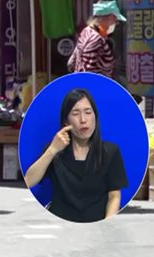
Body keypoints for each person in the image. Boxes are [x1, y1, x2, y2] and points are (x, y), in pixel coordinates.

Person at [24, 88, 129, 223]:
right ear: (66, 122)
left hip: (96, 225)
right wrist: (52, 150)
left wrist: (106, 226)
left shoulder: (111, 151)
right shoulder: (55, 149)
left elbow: (114, 196)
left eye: (88, 112)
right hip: (59, 224)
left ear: (95, 117)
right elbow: (29, 181)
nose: (83, 120)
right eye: (75, 113)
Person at [68, 0, 127, 78]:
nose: (116, 23)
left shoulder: (86, 31)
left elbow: (71, 63)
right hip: (93, 85)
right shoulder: (96, 40)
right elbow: (88, 73)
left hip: (80, 83)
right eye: (115, 19)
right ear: (110, 17)